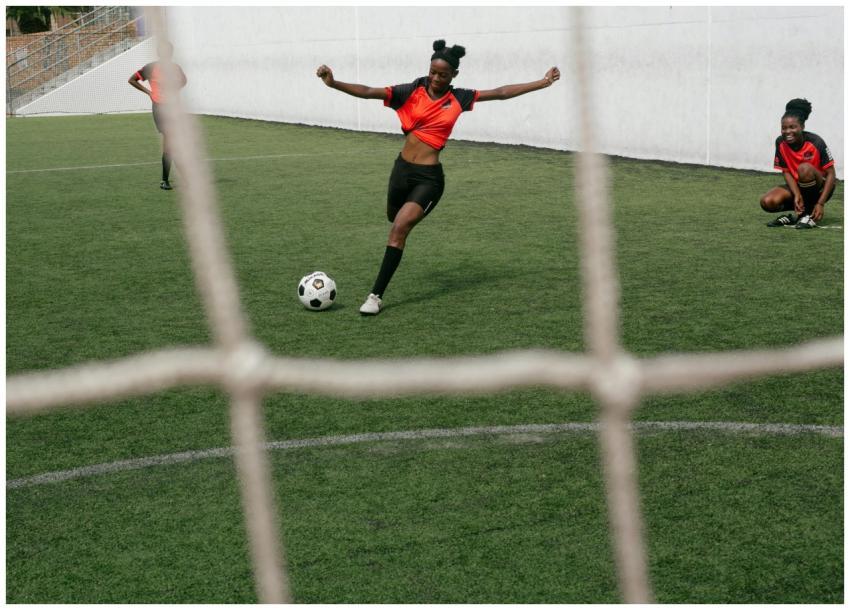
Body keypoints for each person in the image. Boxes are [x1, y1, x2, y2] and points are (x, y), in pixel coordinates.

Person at [317, 40, 560, 315]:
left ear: (454, 75)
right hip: (401, 171)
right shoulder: (410, 91)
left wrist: (542, 83)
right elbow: (369, 91)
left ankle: (375, 296)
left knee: (398, 230)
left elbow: (501, 92)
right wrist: (333, 83)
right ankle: (392, 247)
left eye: (442, 75)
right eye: (432, 72)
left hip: (429, 179)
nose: (435, 78)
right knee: (392, 217)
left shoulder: (460, 98)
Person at [760, 98, 835, 229]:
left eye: (792, 127)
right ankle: (795, 216)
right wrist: (797, 194)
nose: (788, 131)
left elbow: (831, 175)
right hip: (798, 186)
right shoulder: (780, 142)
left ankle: (808, 215)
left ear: (802, 127)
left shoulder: (816, 142)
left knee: (804, 169)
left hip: (820, 188)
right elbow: (786, 171)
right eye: (784, 128)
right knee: (767, 202)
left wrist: (821, 203)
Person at [128, 41, 187, 190]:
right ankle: (166, 180)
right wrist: (149, 92)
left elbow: (183, 81)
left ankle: (180, 179)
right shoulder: (151, 68)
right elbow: (132, 80)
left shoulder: (175, 68)